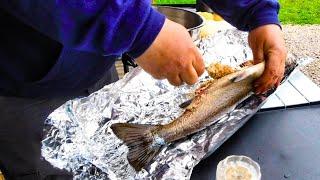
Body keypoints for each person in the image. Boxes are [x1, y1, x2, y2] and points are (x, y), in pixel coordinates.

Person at [0, 0, 286, 179]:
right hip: (20, 86)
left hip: (98, 64)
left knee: (108, 165)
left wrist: (256, 9)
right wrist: (137, 28)